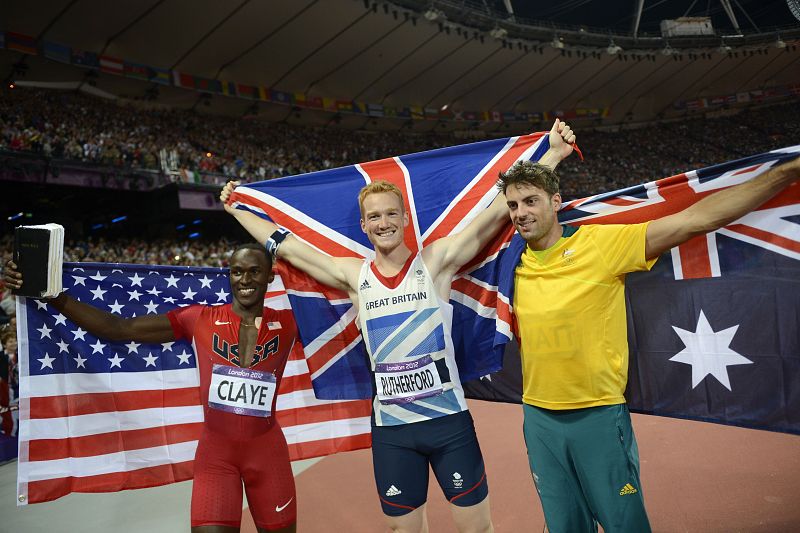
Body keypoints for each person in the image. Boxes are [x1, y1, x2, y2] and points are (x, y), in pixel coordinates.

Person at [220, 120, 577, 533]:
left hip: (449, 425)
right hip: (393, 432)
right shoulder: (355, 276)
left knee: (477, 529)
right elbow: (287, 247)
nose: (383, 222)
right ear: (364, 226)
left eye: (391, 214)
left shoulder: (435, 263)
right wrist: (236, 208)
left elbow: (492, 215)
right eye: (374, 217)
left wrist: (550, 154)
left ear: (406, 218)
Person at [497, 155, 800, 533]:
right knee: (563, 527)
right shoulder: (510, 263)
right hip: (538, 418)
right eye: (512, 205)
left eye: (531, 201)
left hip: (598, 415)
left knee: (626, 526)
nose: (520, 213)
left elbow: (695, 221)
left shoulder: (601, 244)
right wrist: (552, 151)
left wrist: (787, 172)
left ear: (556, 202)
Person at [4, 244, 298, 533]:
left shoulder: (289, 322)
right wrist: (53, 296)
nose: (244, 280)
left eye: (254, 271)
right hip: (217, 457)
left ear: (269, 276)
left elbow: (337, 306)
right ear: (229, 275)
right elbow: (119, 328)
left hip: (268, 454)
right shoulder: (199, 319)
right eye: (237, 272)